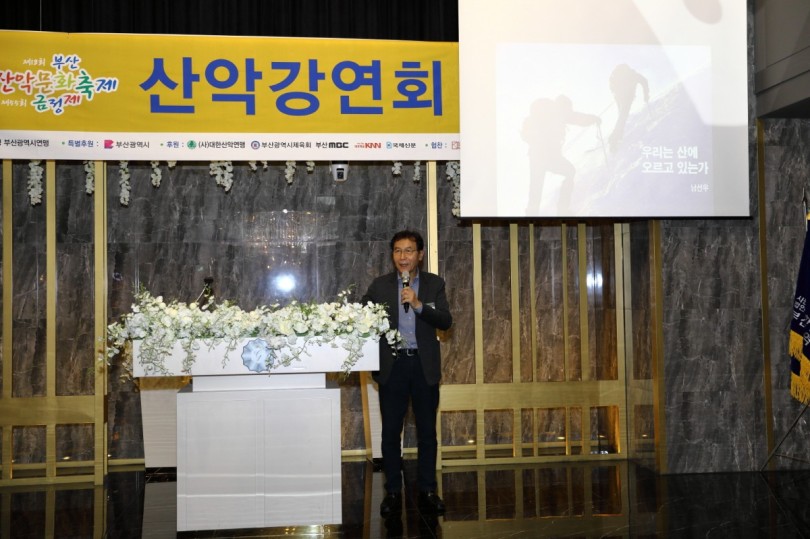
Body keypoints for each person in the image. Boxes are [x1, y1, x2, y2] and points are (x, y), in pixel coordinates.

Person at [362, 230, 453, 517]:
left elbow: (445, 321)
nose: (403, 256)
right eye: (398, 251)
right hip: (393, 366)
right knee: (391, 432)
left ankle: (428, 490)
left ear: (420, 255)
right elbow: (362, 317)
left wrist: (417, 304)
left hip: (423, 366)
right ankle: (392, 492)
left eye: (409, 251)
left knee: (427, 432)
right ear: (393, 255)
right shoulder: (379, 286)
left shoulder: (434, 284)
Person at [521, 95, 601, 214]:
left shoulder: (548, 113)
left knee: (536, 187)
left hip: (536, 157)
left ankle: (531, 216)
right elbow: (577, 118)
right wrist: (594, 119)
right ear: (565, 106)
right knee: (569, 172)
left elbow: (575, 117)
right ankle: (562, 210)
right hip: (550, 156)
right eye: (569, 109)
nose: (569, 112)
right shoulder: (559, 113)